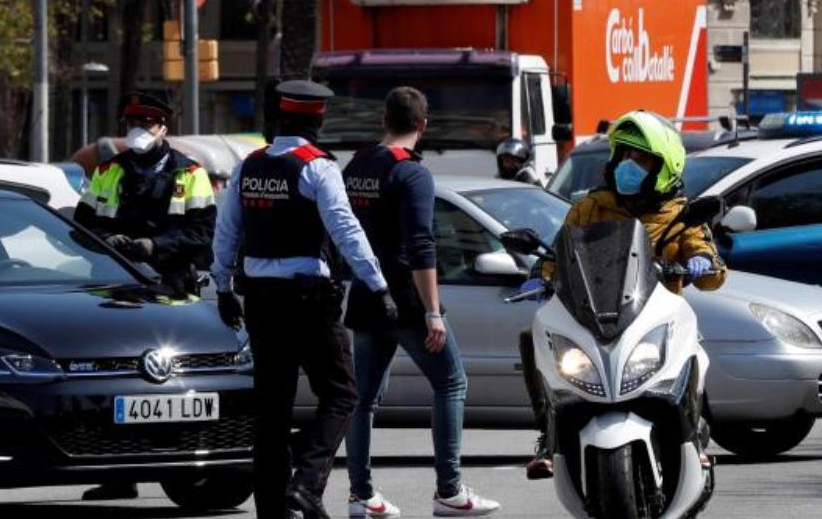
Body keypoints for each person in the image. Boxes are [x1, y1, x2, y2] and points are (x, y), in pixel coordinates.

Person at [211, 80, 398, 519]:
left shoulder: (249, 166)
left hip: (259, 301)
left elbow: (226, 234)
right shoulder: (317, 167)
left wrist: (221, 287)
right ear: (318, 121)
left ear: (280, 118)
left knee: (272, 411)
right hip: (308, 301)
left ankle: (273, 511)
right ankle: (307, 485)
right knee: (342, 394)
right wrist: (379, 286)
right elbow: (346, 231)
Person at [521, 110, 727, 480]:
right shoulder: (591, 207)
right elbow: (560, 252)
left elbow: (708, 260)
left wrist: (700, 262)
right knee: (532, 336)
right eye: (624, 156)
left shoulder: (678, 213)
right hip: (594, 313)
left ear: (664, 167)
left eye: (641, 159)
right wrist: (542, 275)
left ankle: (695, 437)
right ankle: (549, 435)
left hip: (654, 318)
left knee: (694, 351)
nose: (628, 166)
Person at [343, 87, 501, 518]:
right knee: (451, 383)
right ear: (422, 125)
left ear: (384, 120)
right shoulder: (412, 174)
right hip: (408, 299)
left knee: (364, 400)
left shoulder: (358, 163)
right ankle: (449, 491)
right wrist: (433, 312)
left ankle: (361, 496)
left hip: (366, 293)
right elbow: (421, 244)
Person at [72, 91, 216, 502]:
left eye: (148, 123)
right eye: (133, 122)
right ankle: (118, 473)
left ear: (164, 128)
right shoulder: (108, 170)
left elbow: (201, 233)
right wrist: (109, 242)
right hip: (116, 290)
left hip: (172, 287)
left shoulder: (190, 173)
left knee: (171, 380)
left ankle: (187, 466)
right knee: (119, 384)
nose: (138, 130)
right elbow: (83, 227)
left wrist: (153, 247)